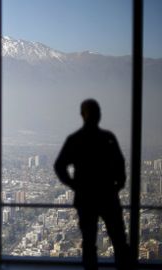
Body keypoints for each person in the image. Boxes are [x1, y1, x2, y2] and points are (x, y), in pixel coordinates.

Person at [54, 99, 131, 270]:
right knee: (118, 240)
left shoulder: (75, 139)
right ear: (99, 115)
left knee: (89, 243)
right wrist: (119, 183)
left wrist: (74, 185)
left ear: (82, 115)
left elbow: (59, 166)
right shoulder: (107, 138)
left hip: (86, 198)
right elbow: (120, 162)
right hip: (108, 196)